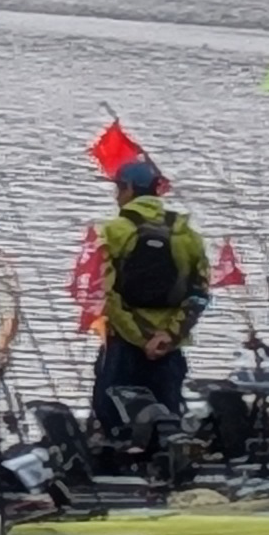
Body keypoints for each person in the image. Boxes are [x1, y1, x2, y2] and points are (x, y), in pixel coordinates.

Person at [92, 159, 209, 432]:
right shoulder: (188, 234)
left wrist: (140, 338)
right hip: (169, 349)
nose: (117, 195)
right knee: (168, 424)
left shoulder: (113, 232)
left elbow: (106, 295)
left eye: (119, 188)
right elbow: (199, 294)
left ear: (130, 189)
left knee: (114, 424)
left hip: (123, 348)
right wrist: (167, 336)